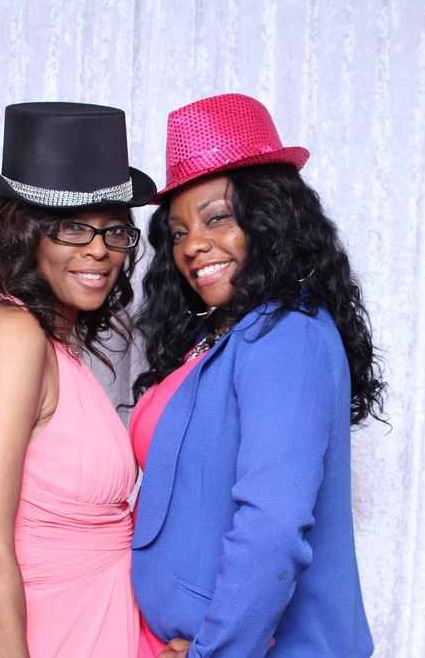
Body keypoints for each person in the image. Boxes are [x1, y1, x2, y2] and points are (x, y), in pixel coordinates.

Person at [130, 93, 384, 657]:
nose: (193, 246)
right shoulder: (222, 333)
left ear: (270, 216)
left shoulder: (285, 333)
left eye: (217, 217)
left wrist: (212, 653)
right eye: (177, 231)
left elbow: (272, 526)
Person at [0, 102, 156, 657]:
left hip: (86, 626)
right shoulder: (12, 337)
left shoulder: (50, 346)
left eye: (114, 230)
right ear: (23, 234)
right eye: (72, 227)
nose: (99, 249)